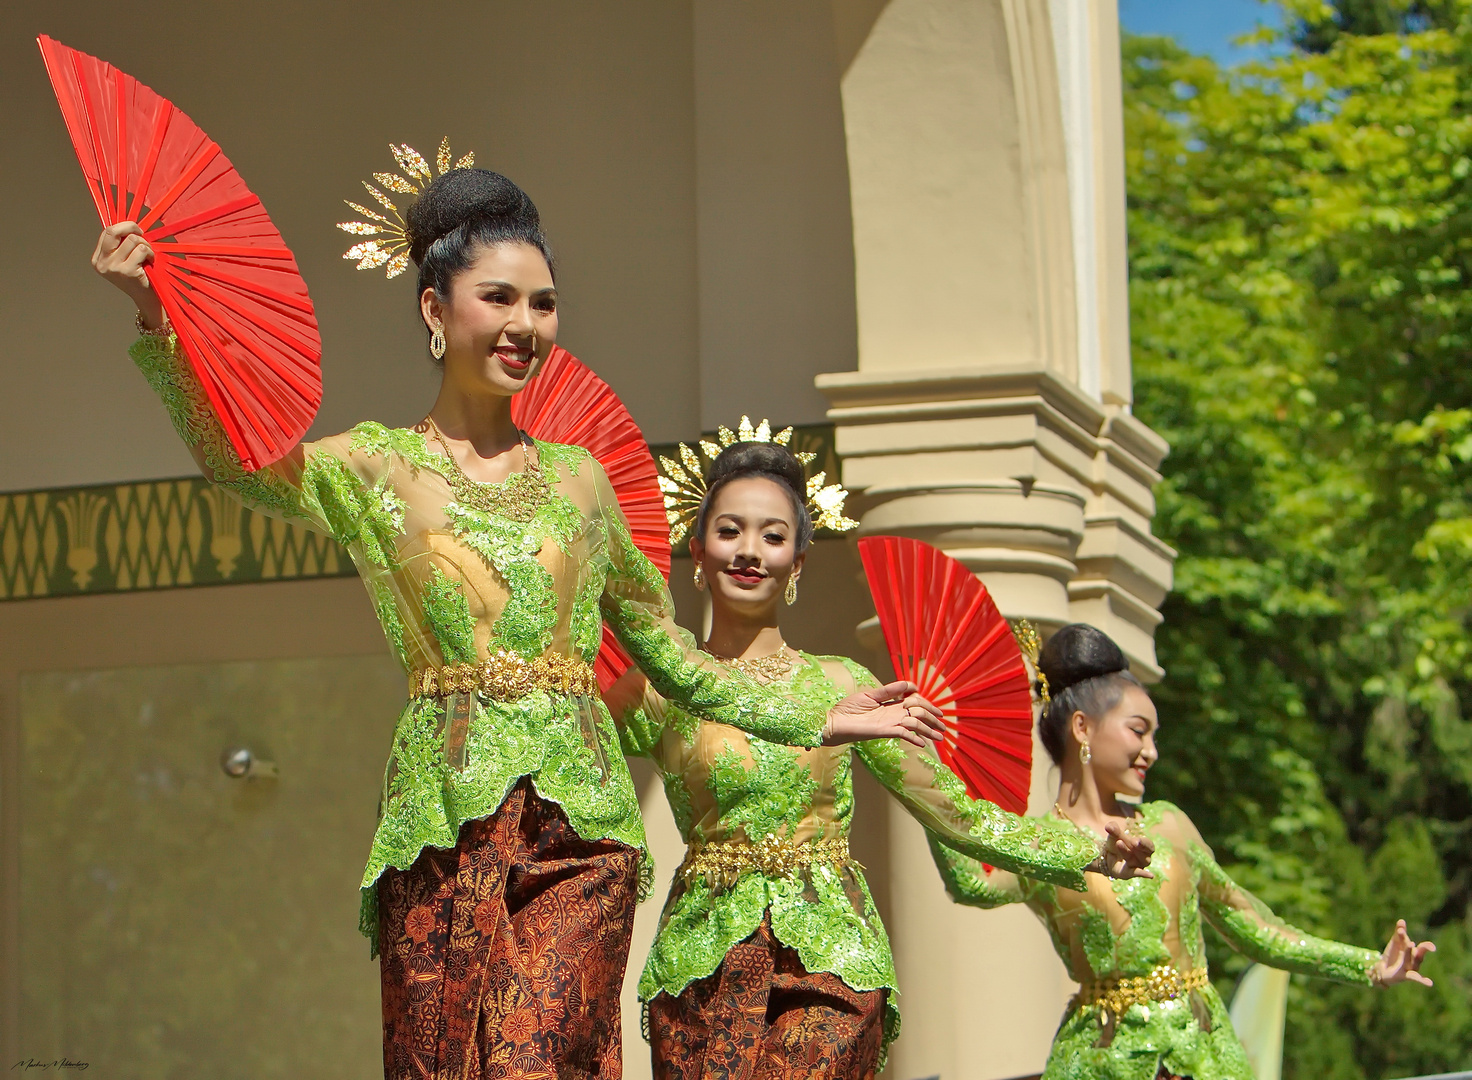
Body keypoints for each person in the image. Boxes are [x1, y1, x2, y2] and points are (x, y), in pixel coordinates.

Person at [89, 167, 947, 1079]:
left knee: (543, 1062)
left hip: (581, 830)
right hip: (441, 813)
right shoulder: (378, 465)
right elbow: (242, 467)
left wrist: (817, 716)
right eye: (497, 297)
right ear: (434, 306)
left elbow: (671, 655)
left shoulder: (581, 478)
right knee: (440, 1064)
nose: (524, 325)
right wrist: (155, 318)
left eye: (543, 304)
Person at [605, 441, 1155, 1079]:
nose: (750, 551)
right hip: (700, 960)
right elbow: (575, 760)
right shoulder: (655, 687)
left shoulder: (844, 686)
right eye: (729, 531)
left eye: (773, 536)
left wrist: (1085, 847)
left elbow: (960, 816)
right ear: (697, 553)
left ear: (798, 563)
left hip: (831, 958)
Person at [929, 623, 1435, 1080]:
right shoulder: (1038, 844)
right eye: (1138, 731)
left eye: (1154, 735)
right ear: (1082, 729)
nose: (1151, 752)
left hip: (1205, 1059)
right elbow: (973, 883)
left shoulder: (1169, 823)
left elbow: (1253, 927)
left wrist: (1368, 965)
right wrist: (925, 770)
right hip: (1100, 1063)